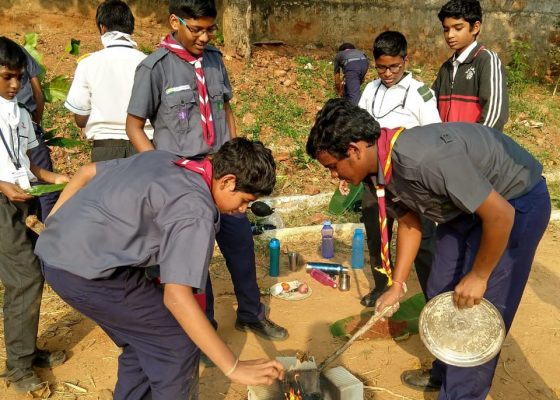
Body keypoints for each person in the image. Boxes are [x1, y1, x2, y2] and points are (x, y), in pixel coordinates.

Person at [307, 98, 550, 400]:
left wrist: (479, 275)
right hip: (463, 209)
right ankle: (444, 372)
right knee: (440, 288)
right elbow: (410, 223)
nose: (334, 175)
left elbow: (501, 215)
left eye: (333, 166)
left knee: (474, 315)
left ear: (354, 150)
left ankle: (460, 393)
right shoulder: (375, 171)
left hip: (515, 201)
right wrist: (397, 285)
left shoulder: (422, 159)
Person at [35, 138, 284, 399]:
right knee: (176, 342)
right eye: (244, 200)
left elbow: (86, 172)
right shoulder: (195, 210)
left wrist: (54, 221)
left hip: (58, 255)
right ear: (228, 181)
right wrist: (233, 367)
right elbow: (177, 296)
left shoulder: (164, 158)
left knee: (144, 339)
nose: (241, 210)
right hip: (87, 274)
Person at [126, 0, 288, 341]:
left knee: (241, 247)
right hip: (183, 184)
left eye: (209, 29)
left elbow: (226, 108)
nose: (203, 36)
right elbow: (134, 126)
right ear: (175, 21)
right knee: (195, 260)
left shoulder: (213, 61)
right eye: (196, 29)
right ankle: (205, 330)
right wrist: (159, 170)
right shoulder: (154, 68)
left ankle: (250, 314)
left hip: (223, 176)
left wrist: (235, 154)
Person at [0, 37, 69, 394]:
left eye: (20, 78)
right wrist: (2, 185)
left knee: (34, 269)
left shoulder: (20, 113)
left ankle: (26, 349)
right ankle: (18, 368)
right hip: (2, 203)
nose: (15, 85)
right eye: (7, 77)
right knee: (24, 277)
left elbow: (29, 163)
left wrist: (55, 178)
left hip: (19, 201)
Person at [355, 30, 441, 307]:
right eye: (381, 67)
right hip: (373, 176)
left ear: (405, 60)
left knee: (424, 237)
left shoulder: (420, 92)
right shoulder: (370, 90)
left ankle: (433, 295)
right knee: (376, 232)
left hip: (410, 180)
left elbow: (434, 135)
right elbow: (357, 130)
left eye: (394, 66)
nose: (388, 73)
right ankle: (382, 287)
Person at [64, 0, 153, 162]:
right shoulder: (149, 63)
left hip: (105, 150)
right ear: (131, 28)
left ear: (102, 27)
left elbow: (80, 119)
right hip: (145, 146)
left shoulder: (88, 63)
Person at [432, 0, 508, 130]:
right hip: (446, 146)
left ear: (475, 27)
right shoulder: (446, 68)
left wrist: (475, 146)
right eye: (446, 29)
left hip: (474, 146)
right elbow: (430, 105)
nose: (450, 35)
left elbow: (495, 115)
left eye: (458, 28)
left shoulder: (486, 60)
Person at [18, 44, 59, 221]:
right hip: (29, 131)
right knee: (47, 196)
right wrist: (35, 124)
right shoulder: (16, 50)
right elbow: (38, 93)